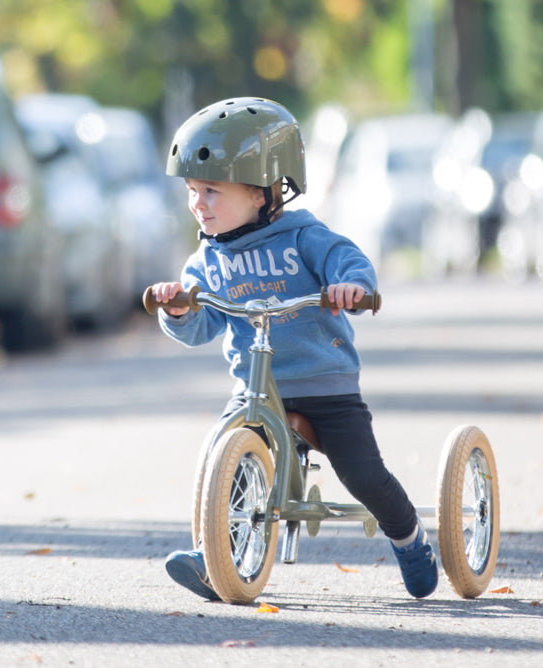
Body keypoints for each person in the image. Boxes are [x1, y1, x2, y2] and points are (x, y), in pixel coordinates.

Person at [150, 97, 438, 600]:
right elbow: (203, 325)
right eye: (193, 191)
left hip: (324, 383)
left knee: (364, 475)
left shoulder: (304, 236)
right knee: (225, 454)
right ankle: (216, 557)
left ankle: (410, 539)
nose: (199, 203)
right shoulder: (207, 258)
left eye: (213, 191)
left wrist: (349, 287)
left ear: (263, 192)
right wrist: (178, 310)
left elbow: (348, 262)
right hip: (255, 388)